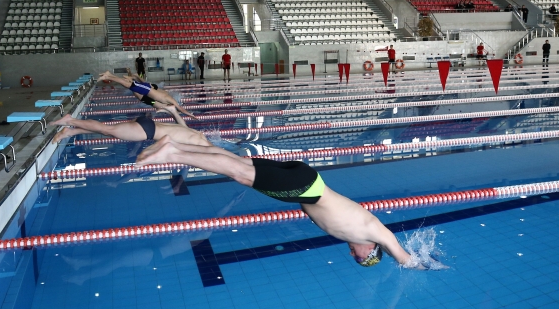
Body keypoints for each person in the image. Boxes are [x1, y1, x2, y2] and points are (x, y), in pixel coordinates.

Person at [136, 137, 444, 270]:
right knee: (240, 172)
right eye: (359, 257)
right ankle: (173, 155)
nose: (353, 253)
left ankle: (175, 145)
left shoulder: (353, 235)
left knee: (237, 164)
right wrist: (430, 266)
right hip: (305, 187)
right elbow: (404, 258)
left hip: (304, 180)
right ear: (372, 251)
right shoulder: (373, 232)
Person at [50, 105, 210, 146]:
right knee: (106, 129)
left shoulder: (197, 134)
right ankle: (71, 121)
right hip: (146, 131)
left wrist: (173, 112)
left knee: (108, 132)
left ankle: (70, 132)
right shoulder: (202, 143)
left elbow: (183, 126)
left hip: (148, 124)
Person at [99, 71, 196, 119]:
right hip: (148, 90)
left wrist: (186, 114)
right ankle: (109, 75)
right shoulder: (170, 100)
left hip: (148, 96)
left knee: (132, 88)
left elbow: (177, 112)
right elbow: (181, 110)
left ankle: (112, 76)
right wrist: (190, 115)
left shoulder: (167, 105)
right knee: (130, 85)